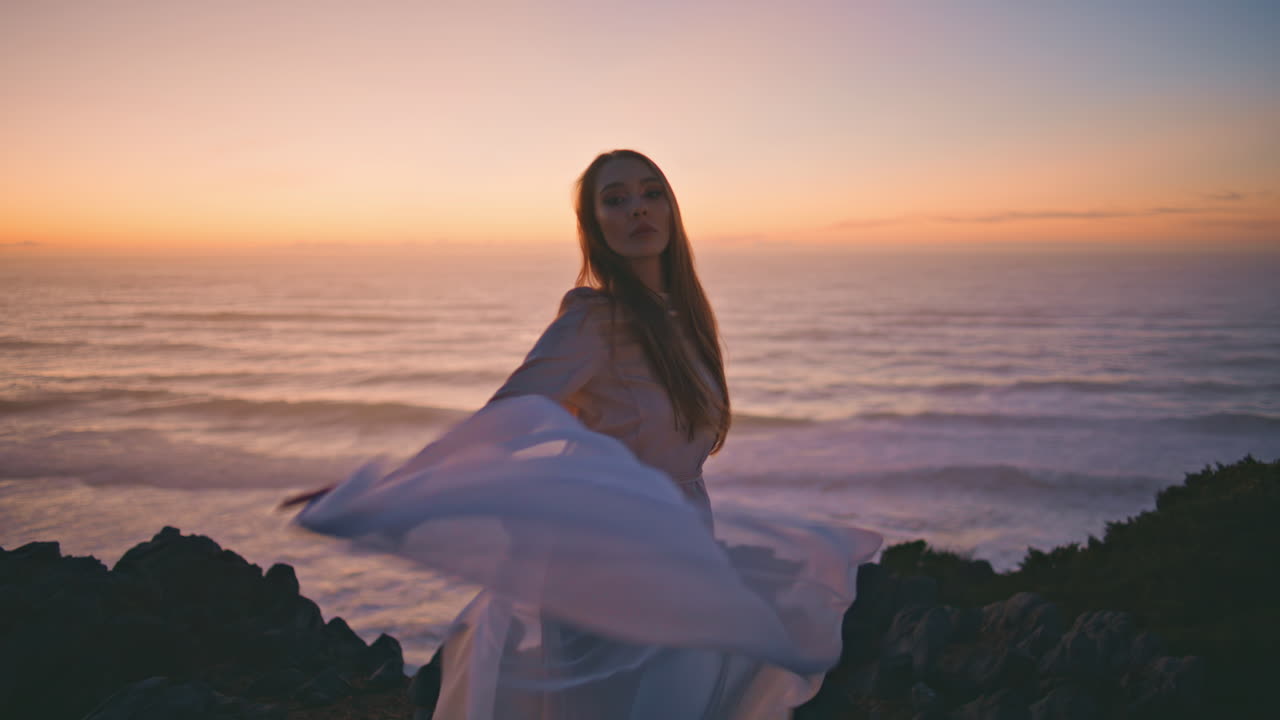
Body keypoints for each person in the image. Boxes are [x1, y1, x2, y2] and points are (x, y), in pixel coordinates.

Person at [292, 150, 881, 718]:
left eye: (651, 193)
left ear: (671, 210)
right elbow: (511, 413)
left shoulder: (686, 320)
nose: (638, 208)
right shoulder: (593, 319)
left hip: (681, 544)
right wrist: (390, 489)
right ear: (595, 226)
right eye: (615, 200)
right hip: (607, 560)